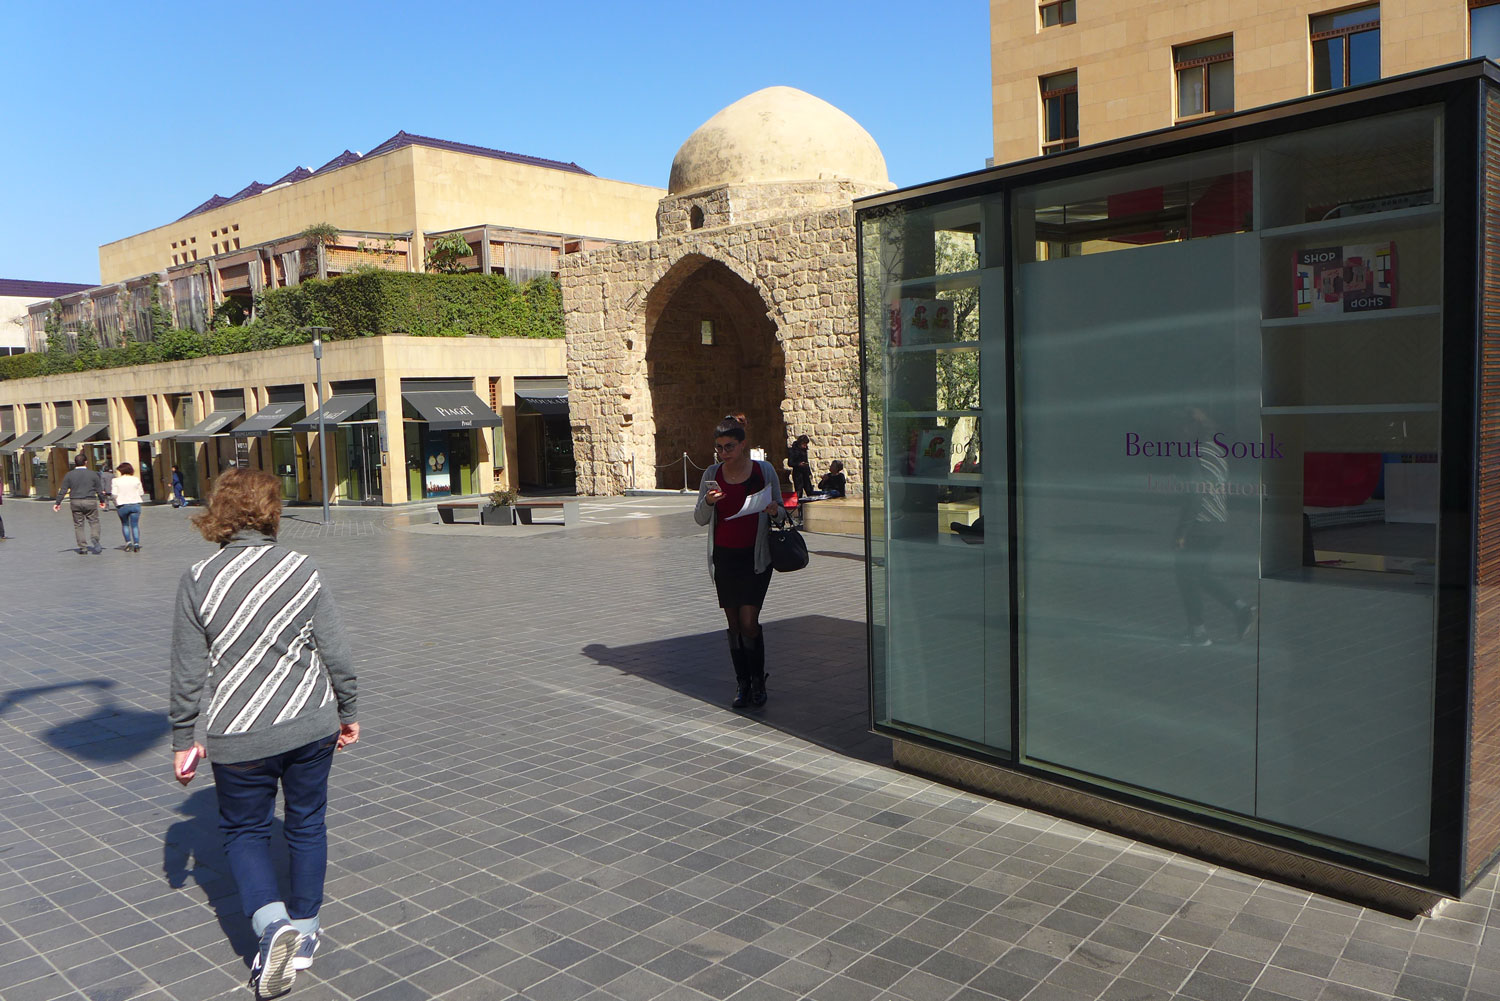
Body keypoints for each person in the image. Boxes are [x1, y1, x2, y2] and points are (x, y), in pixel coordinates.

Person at [169, 469, 359, 999]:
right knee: (306, 823)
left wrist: (185, 738)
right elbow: (335, 650)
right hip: (310, 720)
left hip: (238, 734)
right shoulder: (301, 569)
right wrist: (349, 708)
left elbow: (187, 670)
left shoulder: (200, 577)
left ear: (218, 511)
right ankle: (304, 932)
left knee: (246, 831)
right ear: (272, 510)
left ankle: (271, 925)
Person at [694, 417, 785, 709]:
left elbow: (783, 512)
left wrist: (774, 511)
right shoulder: (712, 474)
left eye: (729, 446)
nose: (724, 453)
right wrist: (709, 501)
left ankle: (758, 680)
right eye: (719, 448)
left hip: (756, 558)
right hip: (725, 557)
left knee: (749, 622)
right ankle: (742, 683)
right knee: (733, 623)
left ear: (743, 444)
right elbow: (699, 518)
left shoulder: (764, 471)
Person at [53, 454, 105, 555]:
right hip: (90, 500)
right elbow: (99, 490)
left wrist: (57, 502)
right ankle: (95, 537)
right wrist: (102, 501)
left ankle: (83, 547)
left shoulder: (69, 474)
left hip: (75, 501)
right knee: (94, 521)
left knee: (79, 525)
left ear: (75, 463)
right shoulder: (93, 474)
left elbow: (63, 490)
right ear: (86, 462)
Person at [111, 461, 146, 552]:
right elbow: (141, 493)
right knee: (135, 525)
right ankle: (137, 544)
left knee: (125, 524)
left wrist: (115, 503)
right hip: (135, 503)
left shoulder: (116, 481)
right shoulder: (136, 479)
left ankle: (128, 542)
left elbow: (114, 494)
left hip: (122, 504)